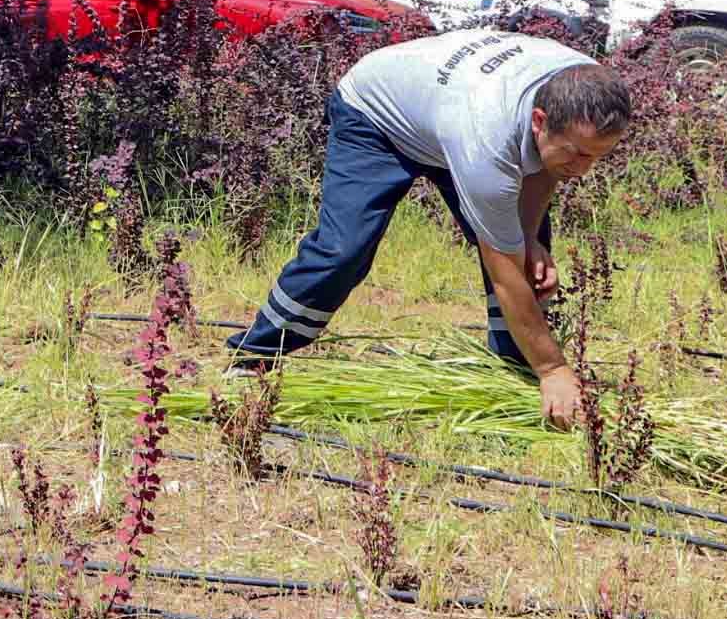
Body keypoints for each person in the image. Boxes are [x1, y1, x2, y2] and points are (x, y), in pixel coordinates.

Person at [230, 30, 634, 428]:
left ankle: (513, 375)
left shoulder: (586, 89)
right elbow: (505, 272)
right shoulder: (487, 137)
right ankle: (253, 354)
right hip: (377, 115)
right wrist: (553, 367)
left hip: (449, 111)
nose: (583, 170)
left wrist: (528, 236)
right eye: (577, 154)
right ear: (539, 121)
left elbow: (545, 165)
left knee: (529, 255)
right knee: (343, 252)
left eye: (597, 156)